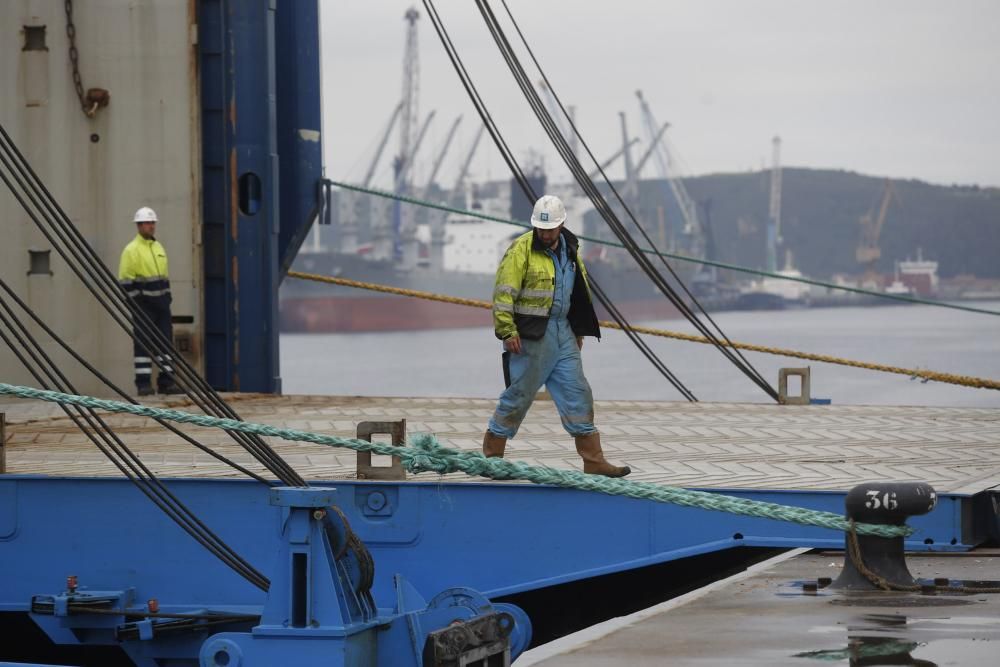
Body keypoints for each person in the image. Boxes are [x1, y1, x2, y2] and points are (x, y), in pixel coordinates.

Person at [482, 195, 630, 478]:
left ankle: (594, 460)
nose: (545, 233)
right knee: (519, 395)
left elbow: (577, 291)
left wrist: (578, 328)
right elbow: (503, 293)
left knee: (578, 392)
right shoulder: (520, 251)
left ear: (562, 225)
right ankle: (492, 458)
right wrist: (507, 330)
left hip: (563, 333)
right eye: (541, 228)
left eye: (550, 229)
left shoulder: (570, 248)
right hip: (531, 335)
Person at [118, 206, 181, 396]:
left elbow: (164, 277)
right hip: (143, 306)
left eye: (153, 223)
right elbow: (125, 280)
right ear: (139, 226)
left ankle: (166, 382)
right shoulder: (131, 250)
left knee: (165, 344)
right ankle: (143, 384)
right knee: (143, 344)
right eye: (147, 223)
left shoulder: (158, 247)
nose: (151, 226)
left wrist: (167, 298)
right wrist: (136, 302)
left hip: (161, 305)